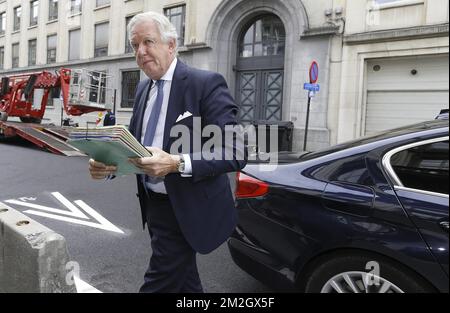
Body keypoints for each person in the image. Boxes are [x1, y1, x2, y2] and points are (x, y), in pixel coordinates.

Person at [88, 11, 246, 293]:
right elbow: (137, 143)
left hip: (190, 203)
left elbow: (236, 150)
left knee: (160, 279)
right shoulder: (142, 87)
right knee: (183, 280)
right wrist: (111, 164)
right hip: (155, 204)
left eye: (148, 41)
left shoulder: (205, 84)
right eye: (135, 45)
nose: (141, 51)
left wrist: (175, 162)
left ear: (171, 45)